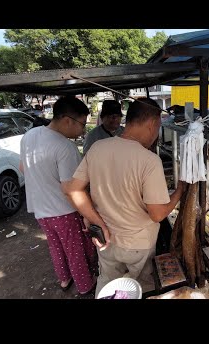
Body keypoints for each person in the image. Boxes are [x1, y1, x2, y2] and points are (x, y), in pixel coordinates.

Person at [64, 97, 185, 295]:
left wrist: (97, 222)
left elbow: (72, 189)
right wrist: (179, 190)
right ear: (153, 124)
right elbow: (157, 214)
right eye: (158, 127)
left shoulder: (97, 148)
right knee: (140, 287)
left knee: (108, 285)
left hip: (107, 240)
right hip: (138, 245)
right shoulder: (149, 160)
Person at [19, 95, 98, 295]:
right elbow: (70, 189)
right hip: (64, 211)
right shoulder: (65, 147)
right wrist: (88, 215)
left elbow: (22, 168)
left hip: (40, 210)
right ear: (67, 120)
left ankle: (64, 279)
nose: (83, 130)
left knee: (56, 247)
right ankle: (85, 286)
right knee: (76, 251)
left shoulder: (30, 135)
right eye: (82, 124)